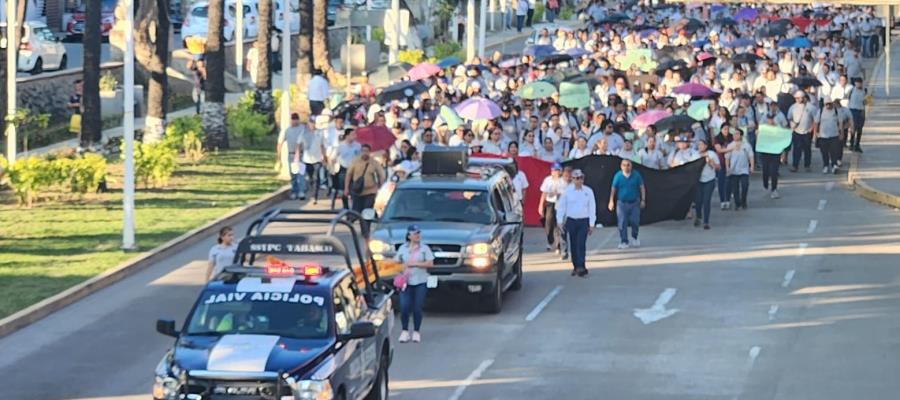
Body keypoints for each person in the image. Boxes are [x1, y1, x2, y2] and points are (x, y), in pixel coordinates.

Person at [394, 225, 434, 343]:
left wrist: (416, 264)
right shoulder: (403, 248)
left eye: (418, 233)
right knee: (404, 306)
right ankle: (405, 330)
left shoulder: (424, 248)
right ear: (409, 235)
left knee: (417, 307)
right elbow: (396, 262)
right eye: (415, 234)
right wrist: (399, 268)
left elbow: (430, 263)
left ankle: (416, 331)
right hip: (406, 282)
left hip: (420, 281)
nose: (418, 236)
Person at [556, 169, 595, 277]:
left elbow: (592, 207)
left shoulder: (588, 191)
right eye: (577, 178)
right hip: (571, 220)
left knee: (581, 243)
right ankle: (576, 266)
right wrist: (559, 221)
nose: (579, 181)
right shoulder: (567, 191)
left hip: (583, 220)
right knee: (573, 243)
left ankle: (581, 266)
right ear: (572, 179)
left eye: (581, 178)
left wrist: (591, 223)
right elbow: (561, 207)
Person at [344, 144, 386, 237]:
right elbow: (348, 175)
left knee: (367, 211)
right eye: (363, 151)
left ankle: (366, 230)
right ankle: (354, 222)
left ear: (369, 152)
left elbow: (381, 175)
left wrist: (381, 188)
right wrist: (346, 188)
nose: (365, 153)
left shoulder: (374, 162)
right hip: (357, 191)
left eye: (367, 151)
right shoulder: (355, 162)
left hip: (370, 191)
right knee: (357, 211)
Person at [609, 159, 645, 250]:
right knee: (622, 222)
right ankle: (624, 241)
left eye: (628, 165)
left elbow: (642, 187)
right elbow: (613, 188)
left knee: (635, 221)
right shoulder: (618, 176)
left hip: (634, 203)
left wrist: (643, 199)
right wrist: (611, 201)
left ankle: (635, 236)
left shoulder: (636, 175)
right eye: (624, 165)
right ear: (621, 166)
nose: (626, 167)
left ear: (631, 166)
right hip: (621, 203)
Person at [295, 119, 328, 203]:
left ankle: (315, 196)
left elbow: (322, 146)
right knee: (310, 177)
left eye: (313, 124)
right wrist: (297, 157)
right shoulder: (303, 134)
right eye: (310, 124)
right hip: (307, 159)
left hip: (317, 159)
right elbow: (298, 145)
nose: (311, 126)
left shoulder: (319, 133)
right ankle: (310, 187)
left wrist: (324, 157)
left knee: (316, 177)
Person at [538, 163, 566, 253]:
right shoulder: (547, 180)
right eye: (555, 170)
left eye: (558, 170)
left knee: (559, 225)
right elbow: (544, 193)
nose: (557, 172)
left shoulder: (563, 181)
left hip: (560, 204)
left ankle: (558, 245)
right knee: (549, 224)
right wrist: (541, 205)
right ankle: (550, 241)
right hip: (550, 203)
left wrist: (558, 194)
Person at [787, 90, 817, 172]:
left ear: (803, 98)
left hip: (807, 132)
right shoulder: (792, 107)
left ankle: (807, 165)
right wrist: (792, 125)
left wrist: (812, 129)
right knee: (796, 149)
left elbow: (816, 119)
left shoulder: (811, 107)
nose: (797, 100)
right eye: (796, 98)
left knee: (807, 149)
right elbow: (789, 117)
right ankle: (795, 165)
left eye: (799, 98)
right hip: (796, 131)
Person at [726, 129, 754, 210]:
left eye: (737, 134)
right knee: (735, 188)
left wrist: (751, 166)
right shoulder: (730, 145)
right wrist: (728, 167)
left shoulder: (746, 145)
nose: (735, 136)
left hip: (744, 170)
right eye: (734, 134)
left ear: (741, 135)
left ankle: (743, 200)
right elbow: (727, 158)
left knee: (745, 186)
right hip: (734, 170)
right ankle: (737, 203)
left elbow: (751, 156)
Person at [694, 140, 719, 229]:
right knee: (698, 200)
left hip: (709, 180)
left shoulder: (712, 154)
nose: (700, 146)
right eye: (698, 145)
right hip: (698, 181)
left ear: (706, 146)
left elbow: (718, 167)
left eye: (701, 144)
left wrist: (710, 162)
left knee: (706, 200)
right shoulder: (694, 155)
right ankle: (698, 216)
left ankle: (706, 221)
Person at [816, 99, 843, 174]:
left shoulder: (836, 111)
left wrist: (841, 133)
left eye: (830, 104)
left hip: (834, 135)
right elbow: (816, 122)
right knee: (824, 152)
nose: (828, 106)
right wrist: (816, 133)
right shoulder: (820, 111)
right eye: (826, 104)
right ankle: (826, 165)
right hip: (823, 136)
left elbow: (840, 123)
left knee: (834, 151)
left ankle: (834, 165)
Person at [847, 78, 866, 152]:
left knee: (860, 129)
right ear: (855, 83)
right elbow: (848, 100)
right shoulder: (851, 90)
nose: (858, 84)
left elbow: (866, 102)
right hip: (853, 110)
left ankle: (857, 144)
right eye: (857, 82)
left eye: (860, 83)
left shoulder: (864, 91)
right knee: (853, 128)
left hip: (861, 111)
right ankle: (851, 144)